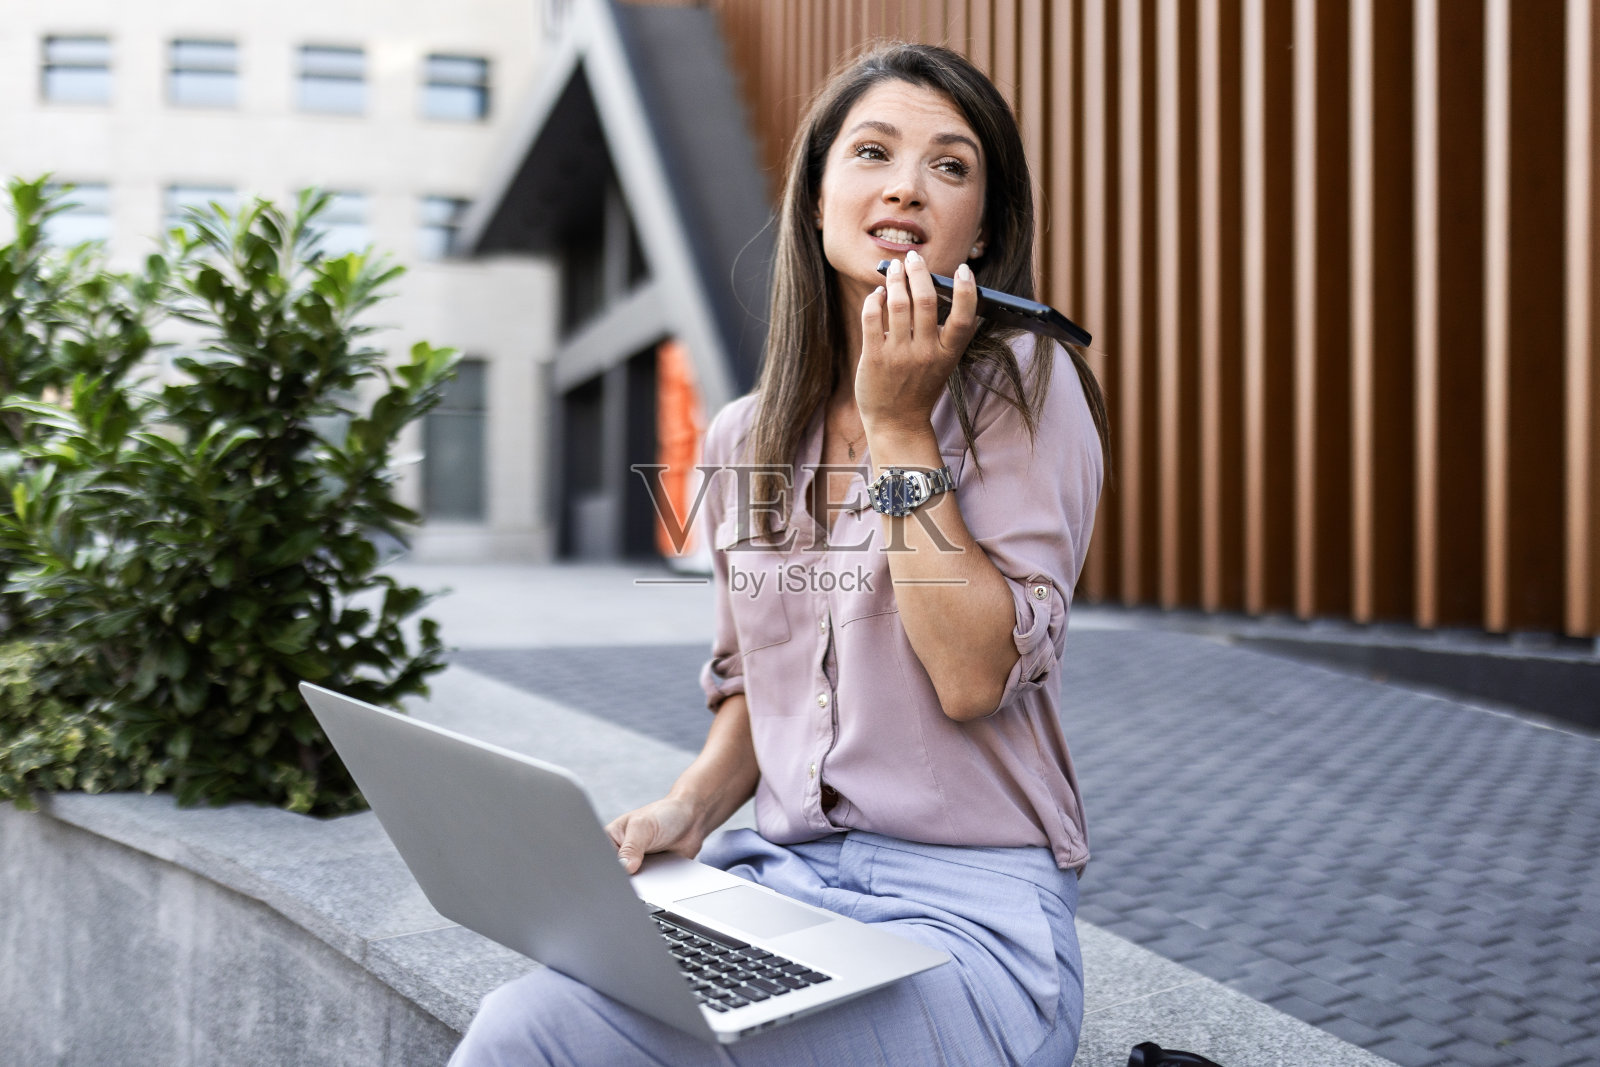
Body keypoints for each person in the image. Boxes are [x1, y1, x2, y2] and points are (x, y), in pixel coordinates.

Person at [450, 41, 1108, 1067]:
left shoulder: (1023, 384)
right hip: (784, 880)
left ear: (981, 225)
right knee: (523, 1026)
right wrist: (691, 804)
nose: (905, 184)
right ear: (813, 197)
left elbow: (975, 672)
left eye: (950, 165)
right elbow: (759, 681)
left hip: (967, 910)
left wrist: (900, 429)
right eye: (873, 151)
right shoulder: (745, 435)